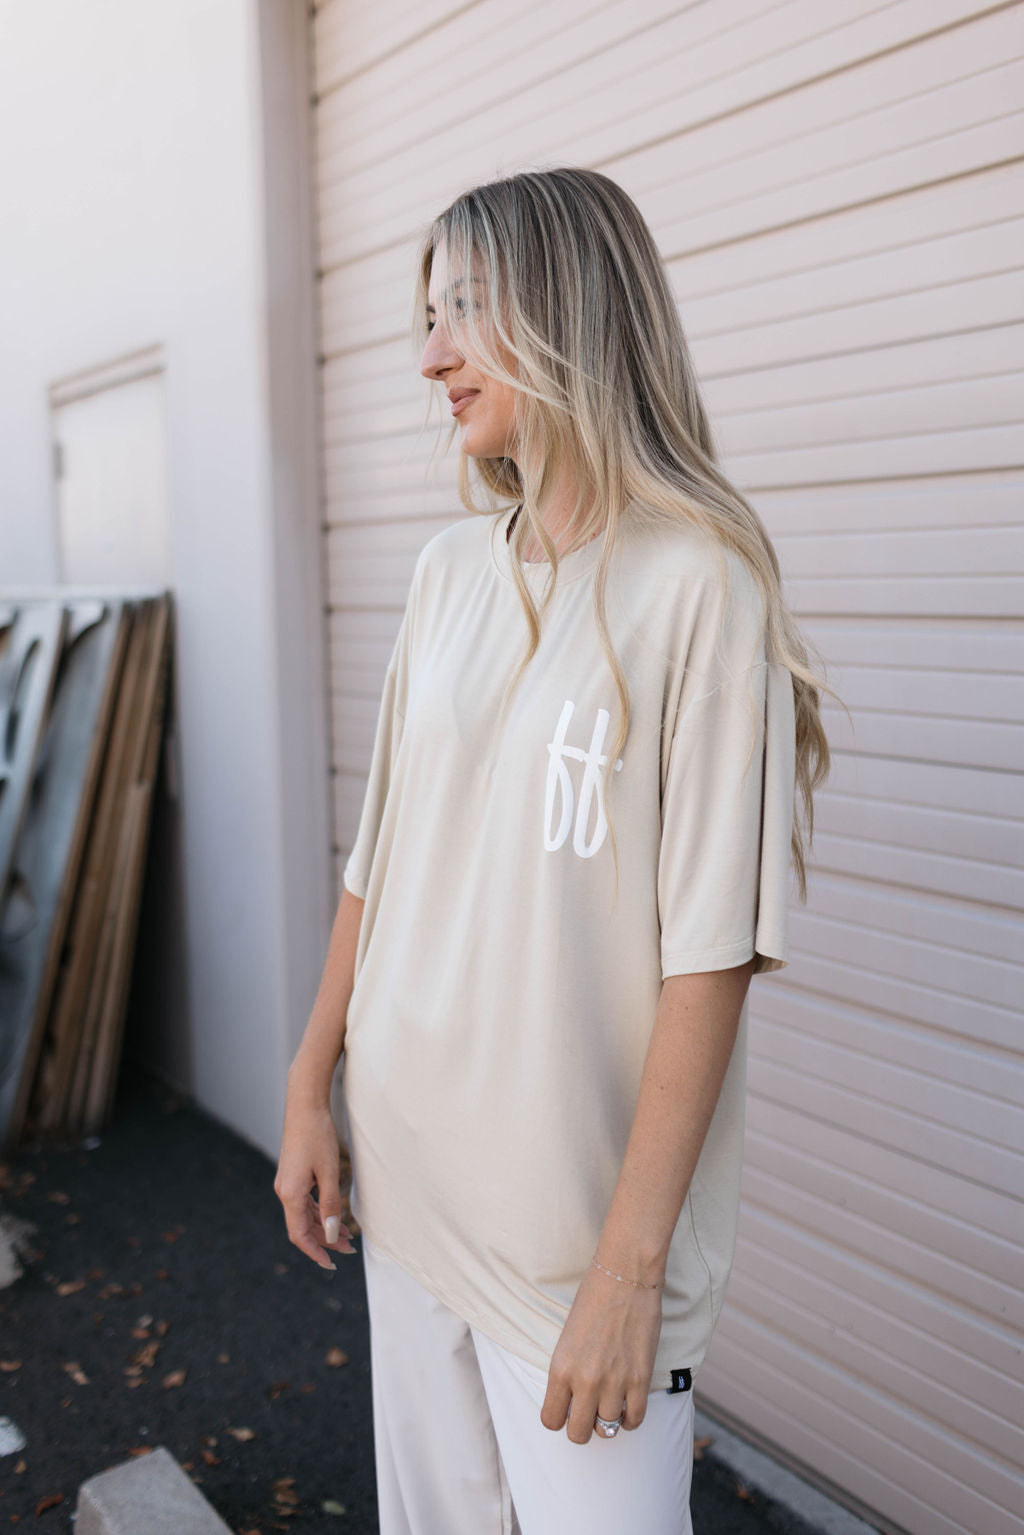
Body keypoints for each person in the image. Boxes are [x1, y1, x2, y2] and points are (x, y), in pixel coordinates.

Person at [275, 166, 833, 1535]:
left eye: (463, 310)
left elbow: (711, 960)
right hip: (408, 1194)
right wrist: (306, 1087)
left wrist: (626, 1277)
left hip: (572, 1254)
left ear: (569, 312)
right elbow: (380, 859)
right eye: (425, 314)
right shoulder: (446, 576)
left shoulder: (701, 588)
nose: (428, 355)